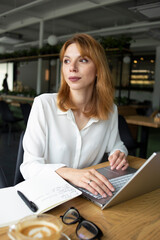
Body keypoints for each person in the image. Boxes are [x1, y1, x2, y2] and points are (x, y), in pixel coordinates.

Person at [20, 33, 129, 198]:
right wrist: (70, 173)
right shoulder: (44, 105)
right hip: (47, 193)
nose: (72, 68)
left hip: (86, 195)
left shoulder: (110, 110)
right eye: (67, 61)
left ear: (98, 68)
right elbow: (28, 166)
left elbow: (117, 145)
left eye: (83, 60)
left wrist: (119, 154)